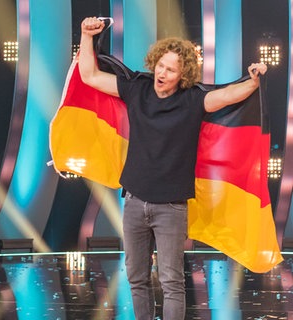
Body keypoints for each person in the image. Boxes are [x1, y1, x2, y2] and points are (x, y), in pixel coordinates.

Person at [78, 17, 267, 320]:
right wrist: (87, 36)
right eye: (160, 66)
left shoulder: (193, 100)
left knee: (171, 282)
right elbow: (89, 75)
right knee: (136, 278)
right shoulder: (136, 89)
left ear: (183, 75)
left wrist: (254, 80)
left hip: (172, 208)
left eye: (171, 69)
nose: (162, 74)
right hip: (135, 202)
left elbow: (230, 95)